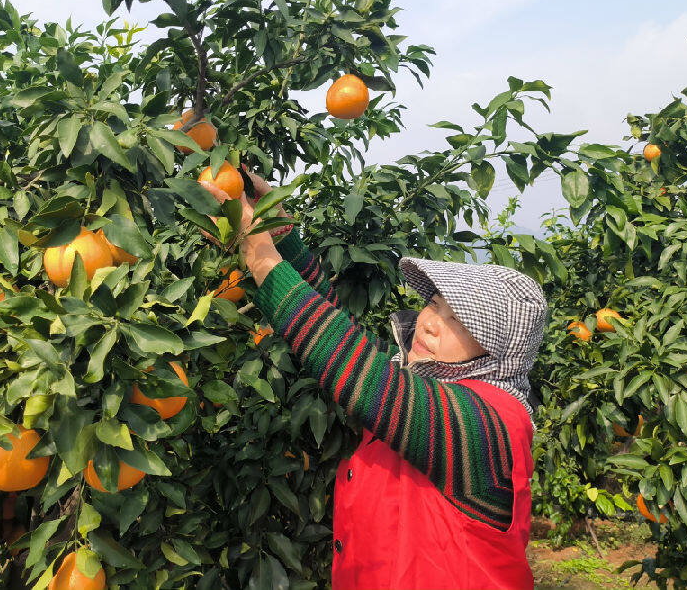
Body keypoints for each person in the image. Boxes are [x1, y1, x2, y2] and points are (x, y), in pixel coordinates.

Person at [200, 171, 547, 590]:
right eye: (435, 304)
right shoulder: (426, 383)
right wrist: (279, 228)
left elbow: (351, 363)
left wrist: (257, 251)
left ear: (496, 352)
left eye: (459, 321)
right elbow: (331, 317)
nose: (430, 323)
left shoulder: (489, 425)